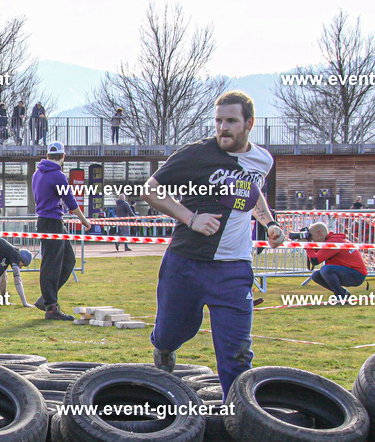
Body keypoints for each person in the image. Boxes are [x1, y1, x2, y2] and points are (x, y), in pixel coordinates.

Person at [141, 90, 284, 398]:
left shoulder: (263, 160)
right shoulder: (196, 155)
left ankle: (240, 414)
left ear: (249, 123)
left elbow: (252, 191)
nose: (223, 128)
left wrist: (269, 223)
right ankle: (163, 349)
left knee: (236, 353)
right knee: (170, 334)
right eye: (218, 121)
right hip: (186, 263)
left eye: (231, 121)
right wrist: (191, 218)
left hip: (234, 269)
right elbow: (150, 189)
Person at [32, 141, 94, 321]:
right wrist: (84, 220)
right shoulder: (58, 175)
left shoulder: (37, 173)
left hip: (47, 220)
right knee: (51, 264)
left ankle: (47, 298)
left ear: (48, 155)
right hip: (52, 222)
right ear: (63, 156)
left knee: (68, 260)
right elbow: (70, 202)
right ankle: (51, 306)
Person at [304, 222, 368, 299]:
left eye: (311, 236)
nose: (311, 239)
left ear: (319, 233)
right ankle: (343, 293)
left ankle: (341, 296)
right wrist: (305, 242)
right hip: (350, 272)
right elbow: (316, 253)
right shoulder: (331, 240)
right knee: (316, 275)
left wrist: (307, 245)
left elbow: (315, 260)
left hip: (357, 274)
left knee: (326, 270)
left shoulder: (334, 242)